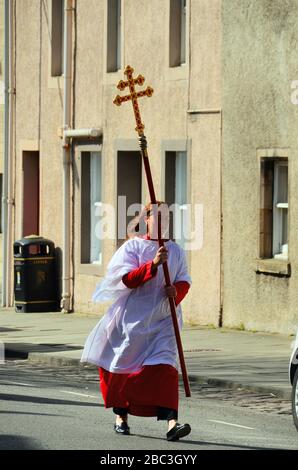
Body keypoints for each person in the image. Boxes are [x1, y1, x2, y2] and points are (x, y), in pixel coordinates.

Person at [81, 202, 192, 441]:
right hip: (133, 321)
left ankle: (172, 423)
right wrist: (152, 265)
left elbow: (184, 279)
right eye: (157, 217)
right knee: (122, 367)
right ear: (147, 220)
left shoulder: (177, 251)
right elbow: (126, 280)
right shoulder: (132, 247)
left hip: (164, 320)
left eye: (167, 217)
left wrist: (177, 291)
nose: (163, 222)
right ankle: (121, 416)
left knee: (165, 368)